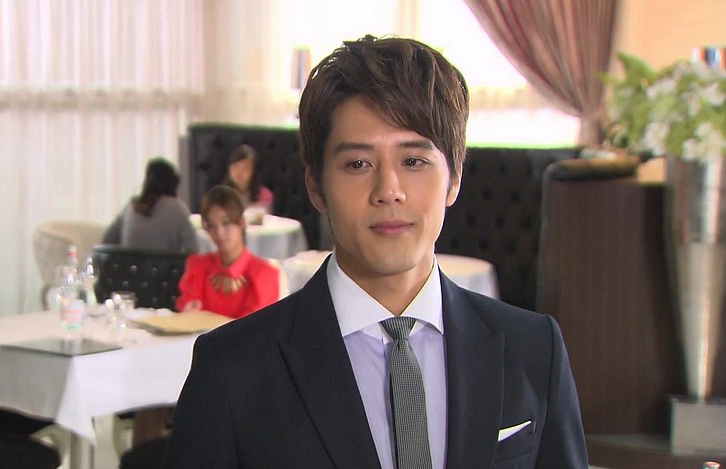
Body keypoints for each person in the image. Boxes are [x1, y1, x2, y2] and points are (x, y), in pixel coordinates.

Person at [164, 35, 587, 468]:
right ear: (316, 185)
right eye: (358, 164)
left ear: (455, 177)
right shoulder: (233, 368)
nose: (389, 190)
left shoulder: (534, 349)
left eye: (414, 161)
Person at [175, 185, 280, 319]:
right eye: (211, 225)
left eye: (226, 223)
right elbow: (189, 318)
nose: (219, 233)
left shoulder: (265, 274)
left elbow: (253, 327)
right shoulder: (198, 266)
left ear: (242, 222)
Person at [102, 157, 198, 254]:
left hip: (129, 263)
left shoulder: (131, 206)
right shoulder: (178, 209)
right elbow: (193, 249)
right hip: (163, 264)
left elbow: (107, 240)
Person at [222, 143, 274, 215]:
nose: (239, 172)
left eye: (245, 168)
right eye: (235, 166)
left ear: (254, 171)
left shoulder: (265, 195)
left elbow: (266, 220)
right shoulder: (220, 195)